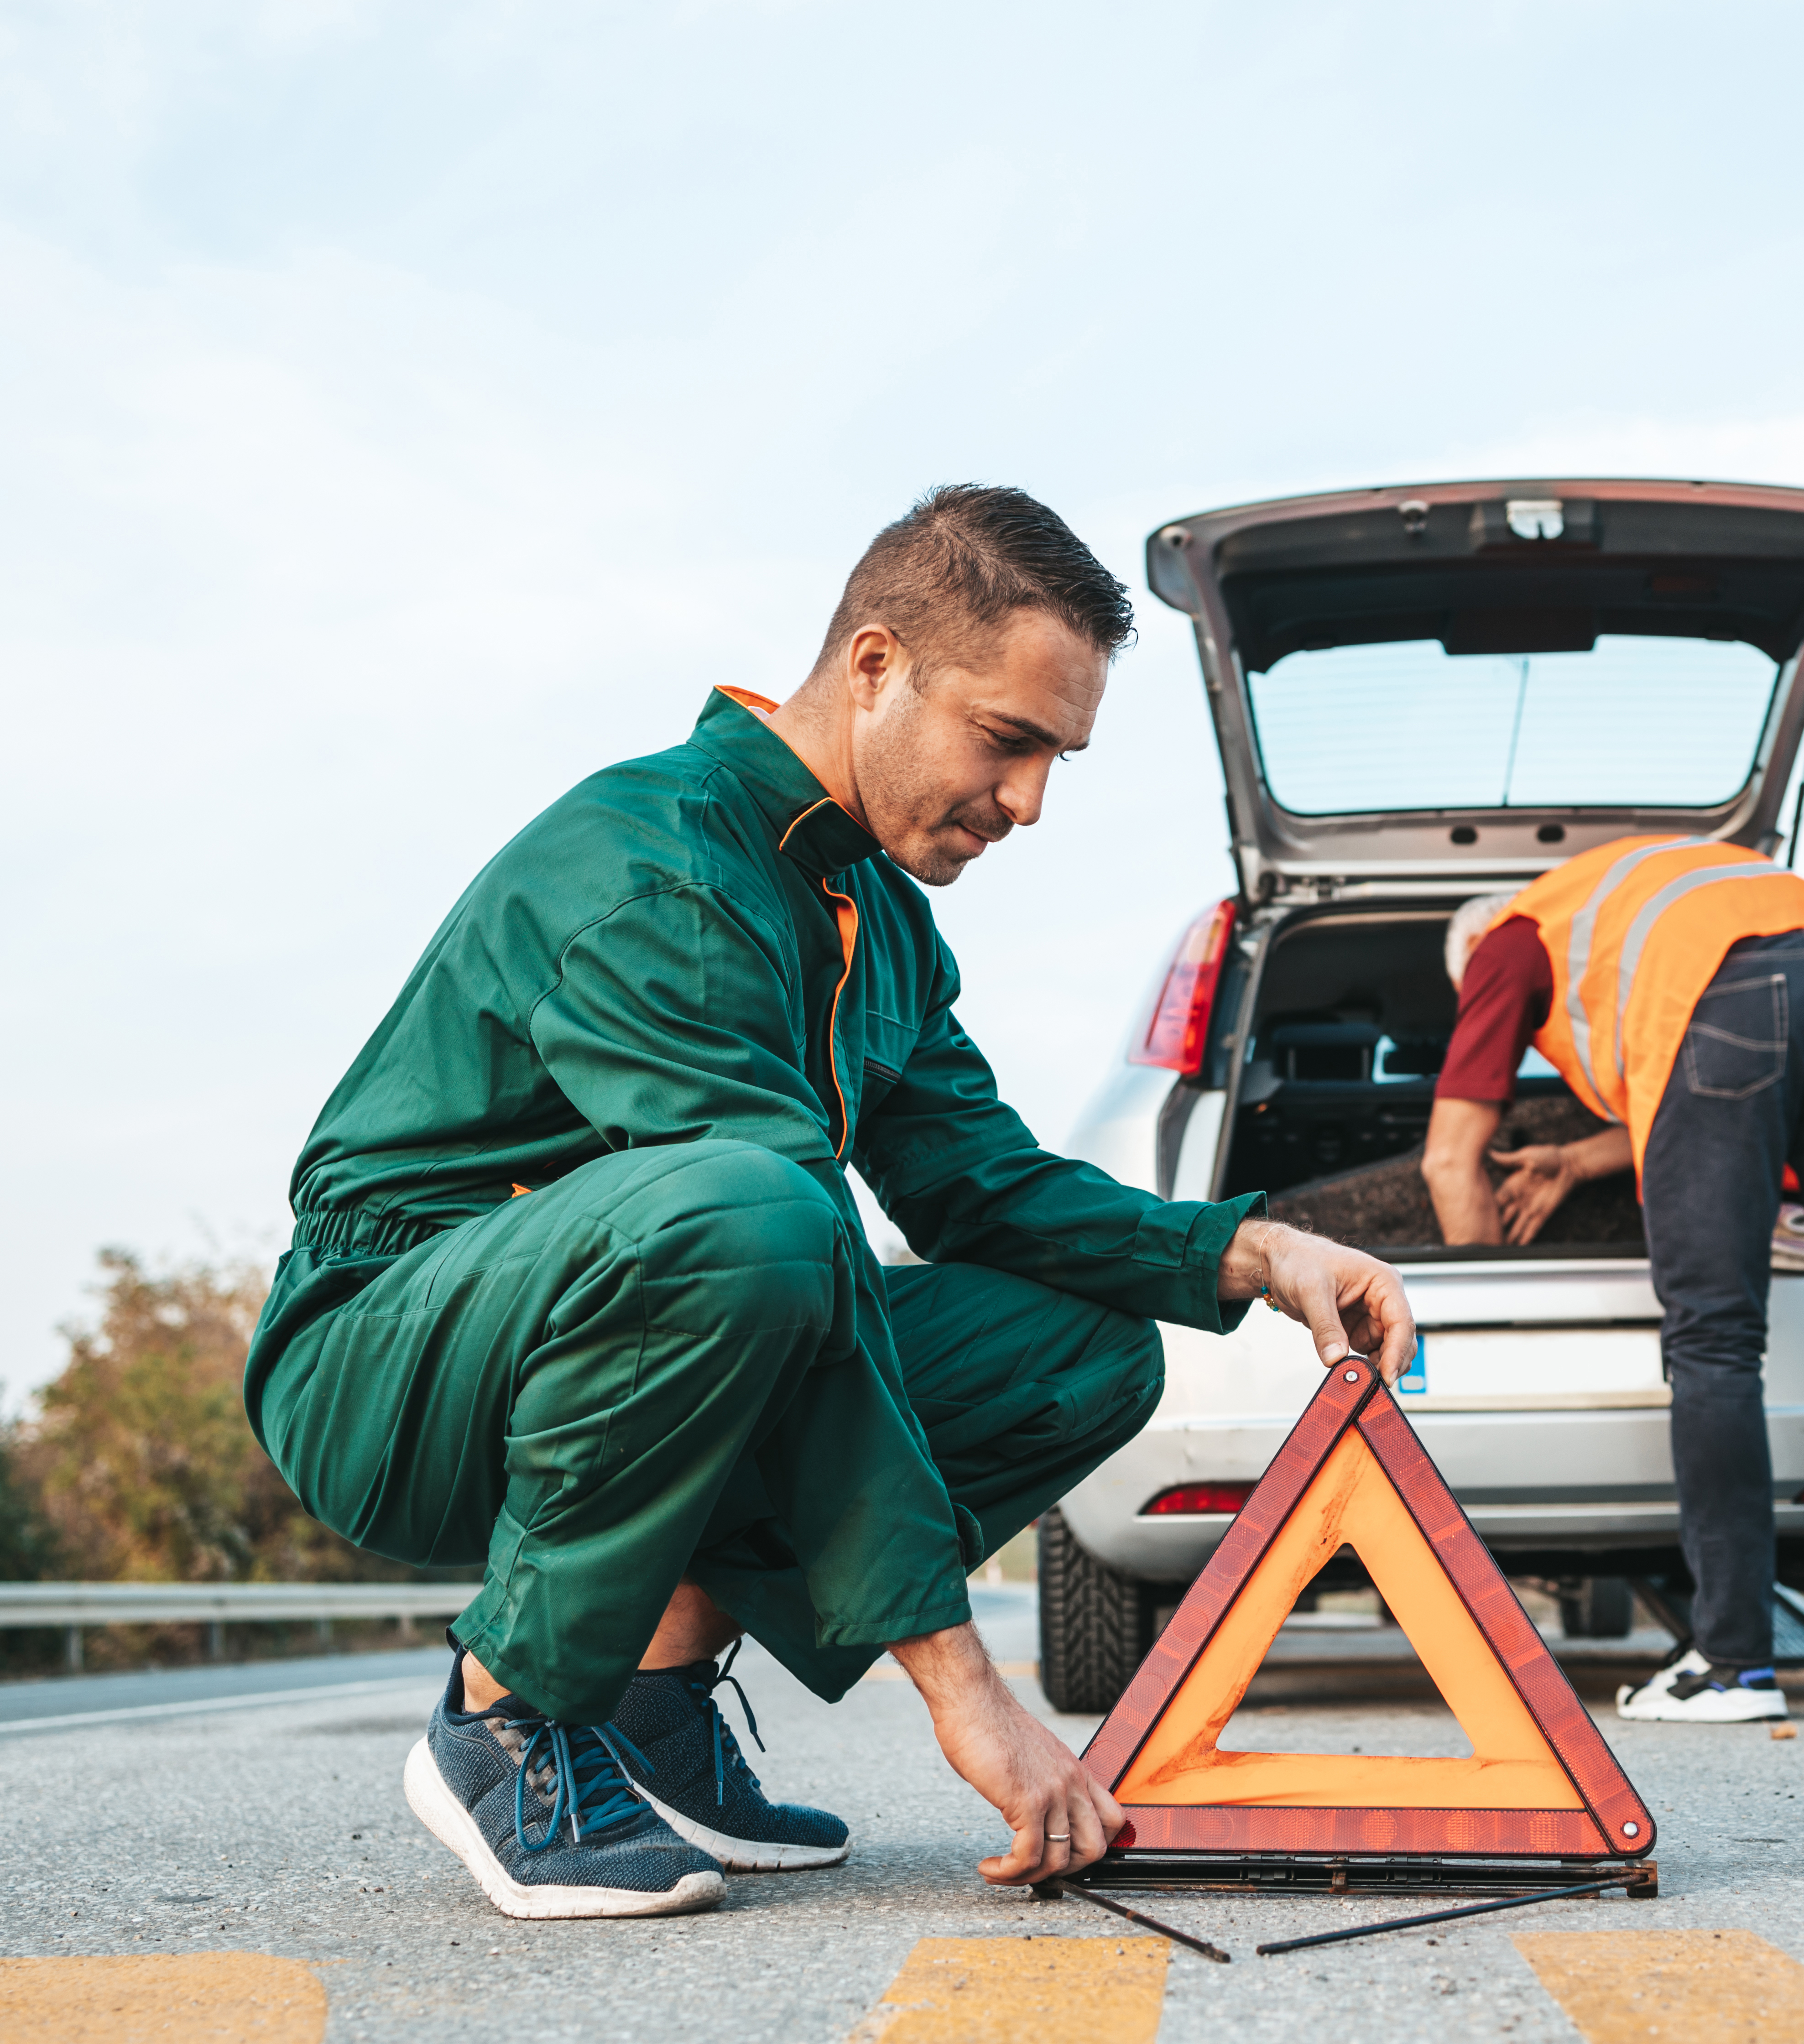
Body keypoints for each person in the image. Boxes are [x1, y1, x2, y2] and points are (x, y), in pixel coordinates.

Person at [247, 485, 1415, 1919]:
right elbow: (775, 1233)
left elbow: (984, 1186)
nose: (1034, 801)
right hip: (387, 1360)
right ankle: (508, 1714)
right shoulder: (656, 868)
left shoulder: (886, 928)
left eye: (1060, 757)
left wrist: (1245, 1247)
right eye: (1009, 739)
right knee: (764, 1219)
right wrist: (968, 1689)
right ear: (877, 668)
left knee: (1081, 1347)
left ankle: (655, 1698)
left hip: (634, 1326)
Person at [1417, 839, 1804, 1725]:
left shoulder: (1507, 937)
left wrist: (1480, 1318)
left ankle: (1732, 1662)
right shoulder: (1639, 894)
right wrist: (1572, 1159)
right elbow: (1722, 1083)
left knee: (1715, 1337)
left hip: (1730, 993)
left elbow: (1451, 1159)